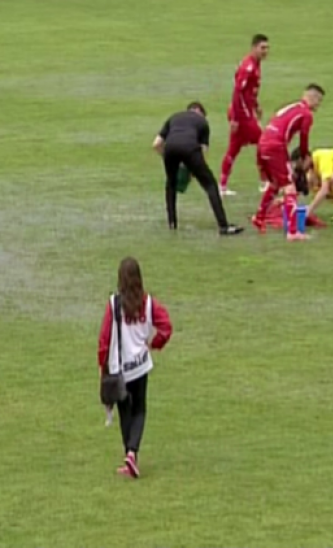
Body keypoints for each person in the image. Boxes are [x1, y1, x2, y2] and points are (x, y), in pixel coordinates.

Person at [96, 258, 172, 480]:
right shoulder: (148, 303)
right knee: (140, 409)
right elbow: (166, 328)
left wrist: (102, 366)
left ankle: (129, 455)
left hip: (120, 369)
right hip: (140, 367)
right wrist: (155, 344)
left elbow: (104, 339)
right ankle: (132, 453)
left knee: (125, 412)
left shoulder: (114, 305)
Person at [152, 102, 242, 235]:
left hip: (170, 147)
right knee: (210, 184)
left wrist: (167, 157)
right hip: (190, 148)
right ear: (200, 112)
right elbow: (203, 153)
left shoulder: (174, 117)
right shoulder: (202, 122)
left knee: (171, 184)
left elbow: (156, 144)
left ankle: (172, 223)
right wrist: (193, 171)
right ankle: (223, 226)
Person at [252, 84, 325, 240]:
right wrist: (305, 155)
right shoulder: (306, 114)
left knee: (275, 184)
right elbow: (303, 138)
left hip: (263, 142)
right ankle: (293, 232)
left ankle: (259, 217)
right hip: (275, 147)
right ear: (313, 98)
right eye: (319, 101)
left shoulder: (291, 107)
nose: (318, 105)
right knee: (289, 188)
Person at [220, 33, 270, 197]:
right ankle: (264, 181)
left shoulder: (255, 64)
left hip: (244, 111)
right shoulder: (248, 67)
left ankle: (222, 185)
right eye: (262, 48)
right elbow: (238, 92)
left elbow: (249, 91)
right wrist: (235, 118)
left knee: (234, 147)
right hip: (242, 114)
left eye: (267, 48)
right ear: (254, 48)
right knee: (264, 142)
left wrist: (257, 105)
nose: (265, 51)